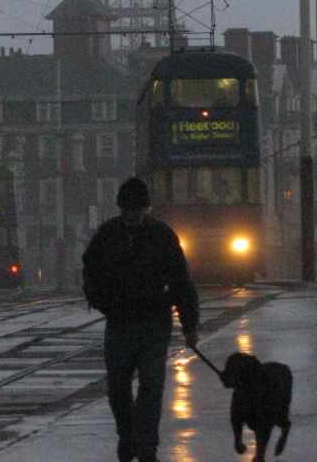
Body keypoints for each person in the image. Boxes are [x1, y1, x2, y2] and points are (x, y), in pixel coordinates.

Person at [82, 177, 199, 462]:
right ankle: (130, 436)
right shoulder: (109, 234)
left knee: (150, 386)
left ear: (145, 208)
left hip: (152, 323)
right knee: (118, 388)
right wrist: (102, 303)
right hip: (123, 321)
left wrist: (189, 325)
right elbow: (90, 271)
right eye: (126, 210)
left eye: (134, 210)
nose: (130, 216)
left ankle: (145, 446)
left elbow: (181, 282)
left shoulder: (160, 235)